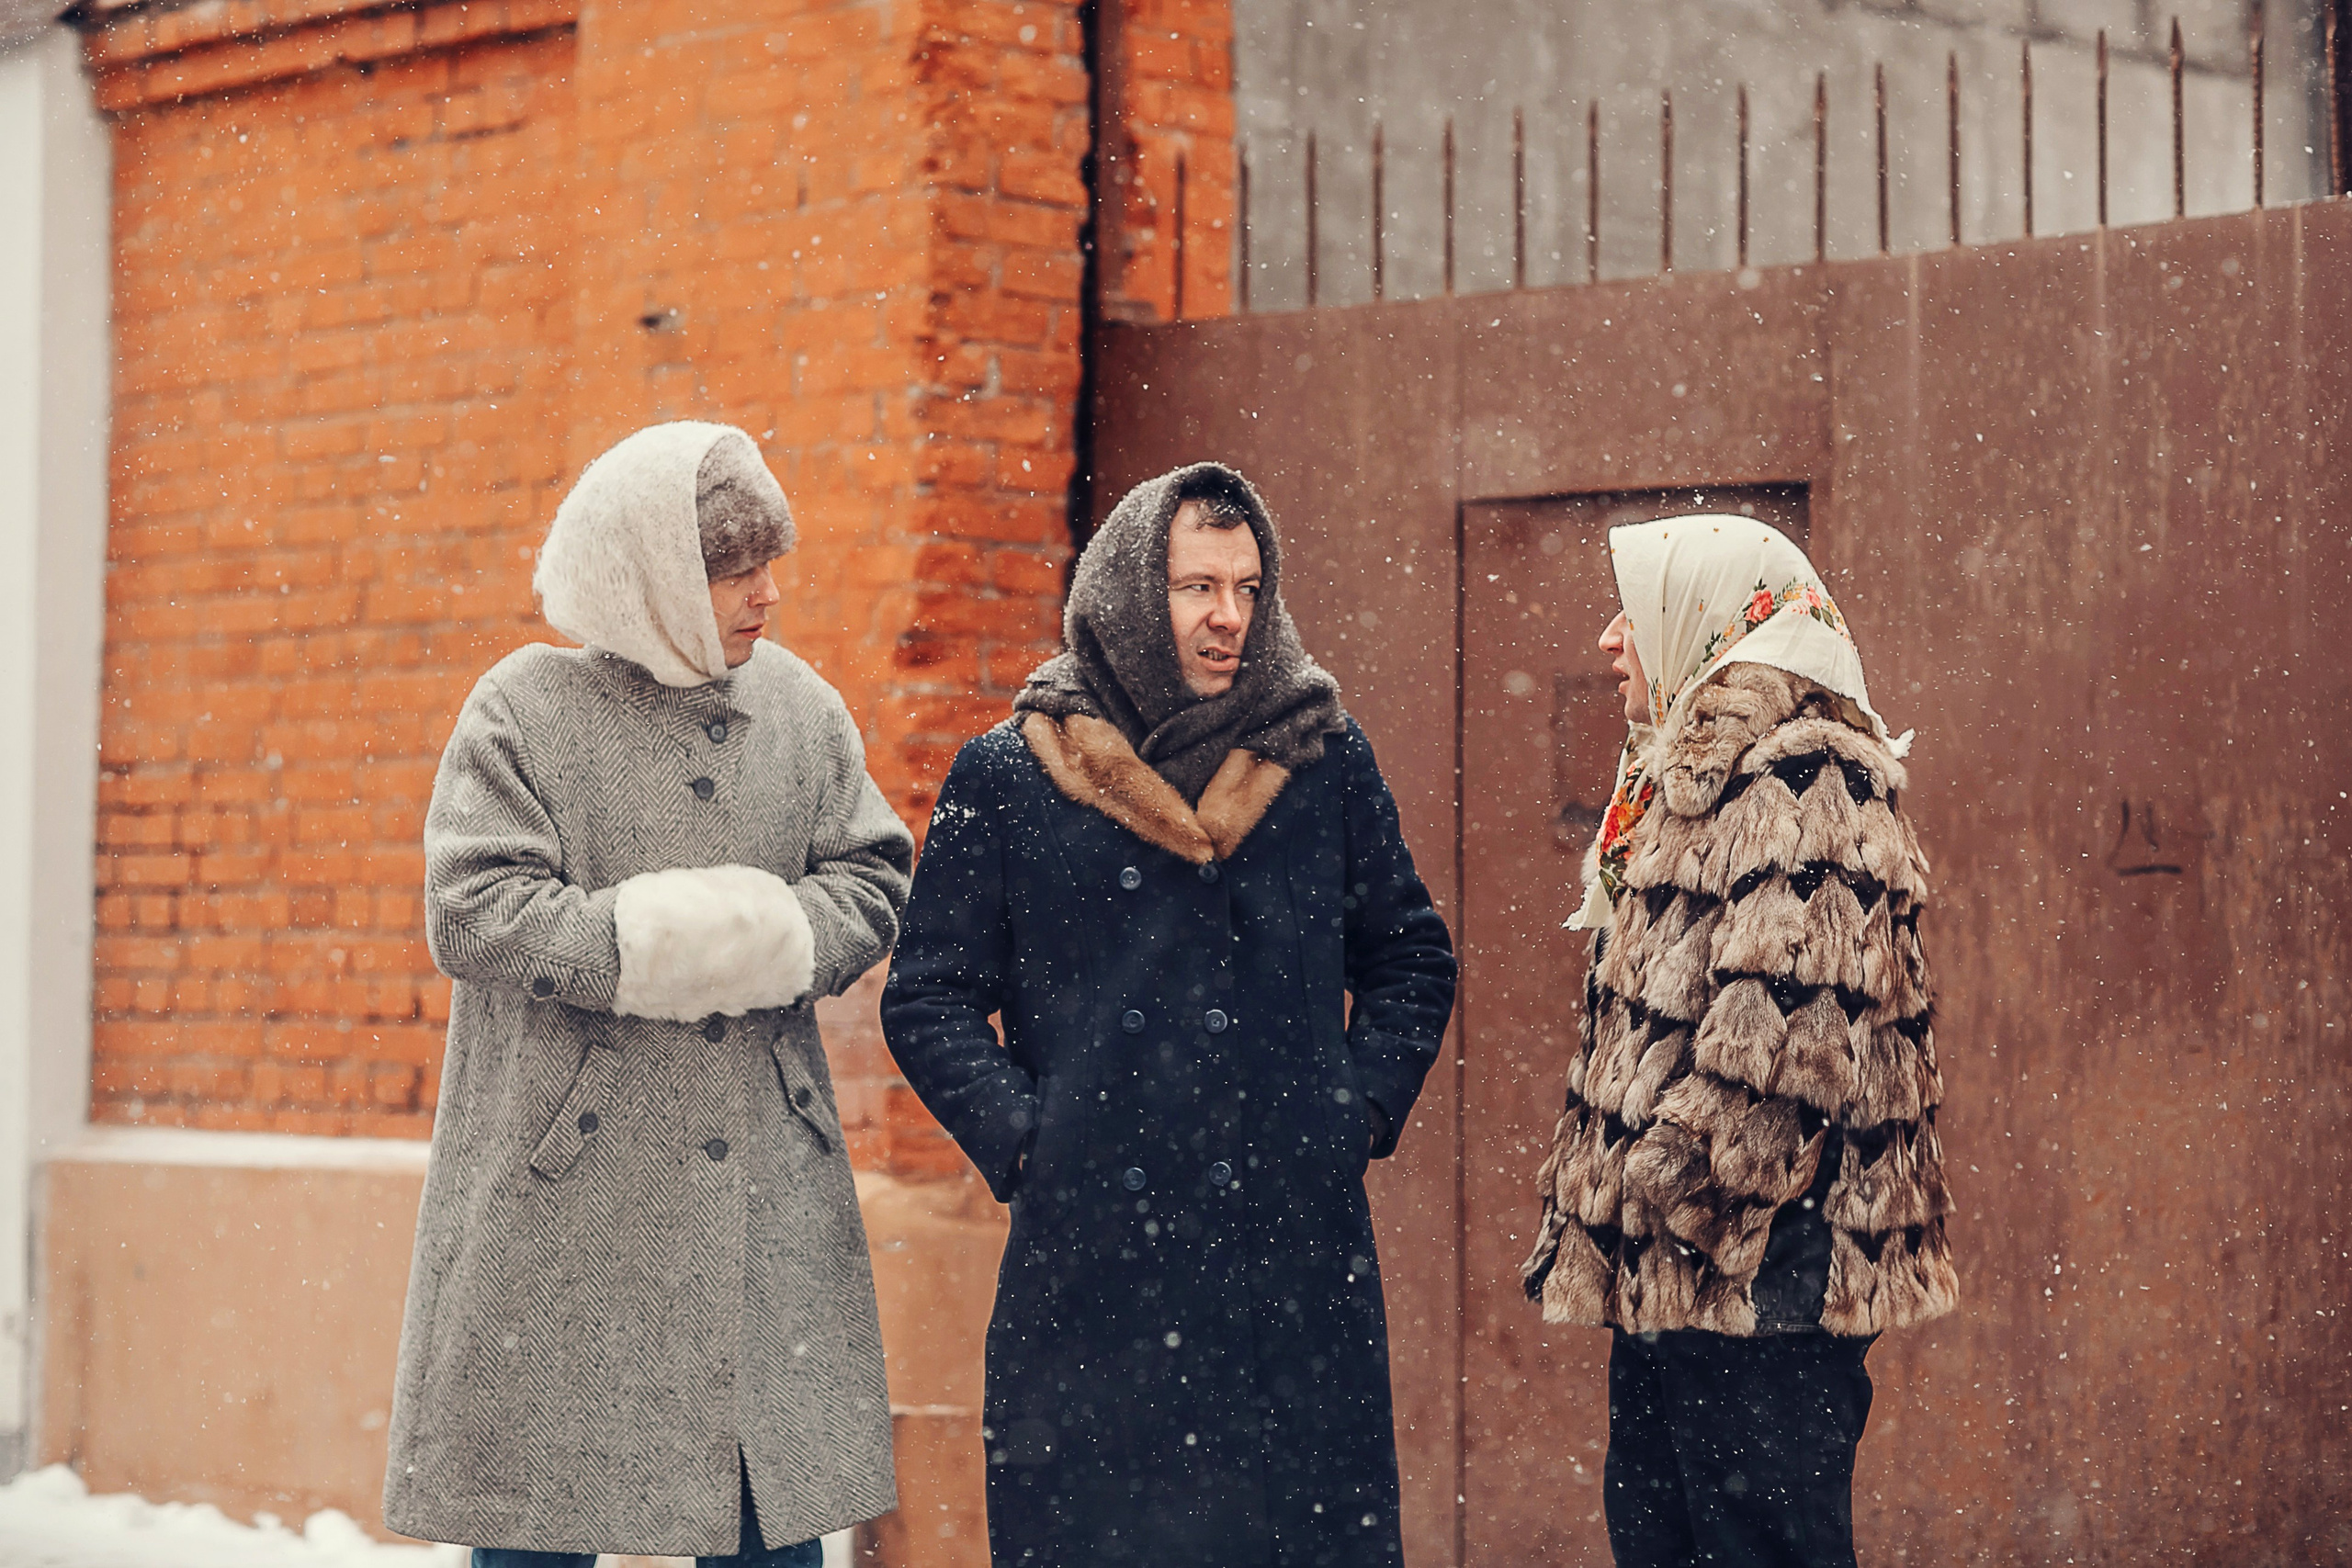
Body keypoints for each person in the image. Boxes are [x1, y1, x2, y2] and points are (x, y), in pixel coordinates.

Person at [880, 462, 1457, 1567]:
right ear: (1132, 595)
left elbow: (1410, 958)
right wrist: (1032, 1141)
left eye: (1247, 588)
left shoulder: (1321, 757)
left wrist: (1352, 1115)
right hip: (1095, 1270)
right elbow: (929, 994)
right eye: (1198, 587)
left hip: (1290, 1264)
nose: (1228, 616)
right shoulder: (1007, 774)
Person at [382, 422, 915, 1567]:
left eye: (771, 563)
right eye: (734, 570)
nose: (767, 594)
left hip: (756, 1183)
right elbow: (473, 908)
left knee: (765, 1518)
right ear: (652, 574)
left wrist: (774, 938)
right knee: (540, 1513)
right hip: (568, 1193)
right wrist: (660, 945)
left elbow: (875, 877)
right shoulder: (524, 707)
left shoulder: (802, 708)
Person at [1520, 515, 1956, 1568]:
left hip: (1763, 1284)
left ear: (1710, 620)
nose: (1611, 638)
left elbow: (1797, 1046)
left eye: (1635, 611)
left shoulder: (1804, 782)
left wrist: (1673, 1189)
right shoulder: (1695, 784)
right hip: (1690, 1282)